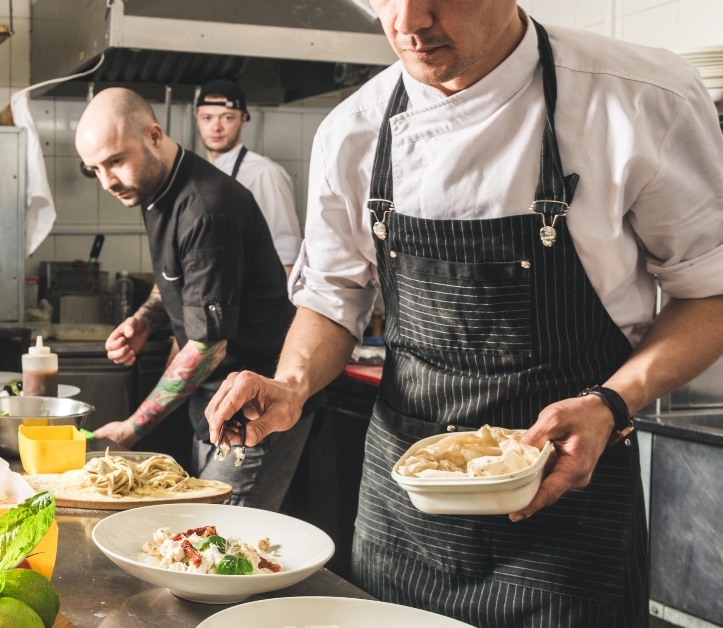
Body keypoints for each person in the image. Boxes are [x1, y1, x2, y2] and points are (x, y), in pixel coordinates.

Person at [206, 1, 723, 626]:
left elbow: (710, 293)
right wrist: (291, 383)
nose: (409, 22)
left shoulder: (639, 99)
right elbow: (334, 296)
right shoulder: (353, 130)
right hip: (403, 520)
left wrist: (611, 402)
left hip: (566, 512)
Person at [76, 87, 305, 510]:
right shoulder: (152, 189)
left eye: (115, 161)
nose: (108, 181)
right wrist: (145, 320)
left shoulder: (207, 210)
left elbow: (207, 347)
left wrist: (131, 428)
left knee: (224, 544)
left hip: (252, 411)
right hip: (210, 405)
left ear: (154, 135)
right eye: (95, 169)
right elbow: (174, 277)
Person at [195, 79, 302, 276]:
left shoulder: (265, 173)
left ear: (243, 119)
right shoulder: (196, 175)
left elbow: (287, 253)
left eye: (227, 118)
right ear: (197, 119)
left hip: (252, 299)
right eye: (207, 118)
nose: (216, 127)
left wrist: (280, 306)